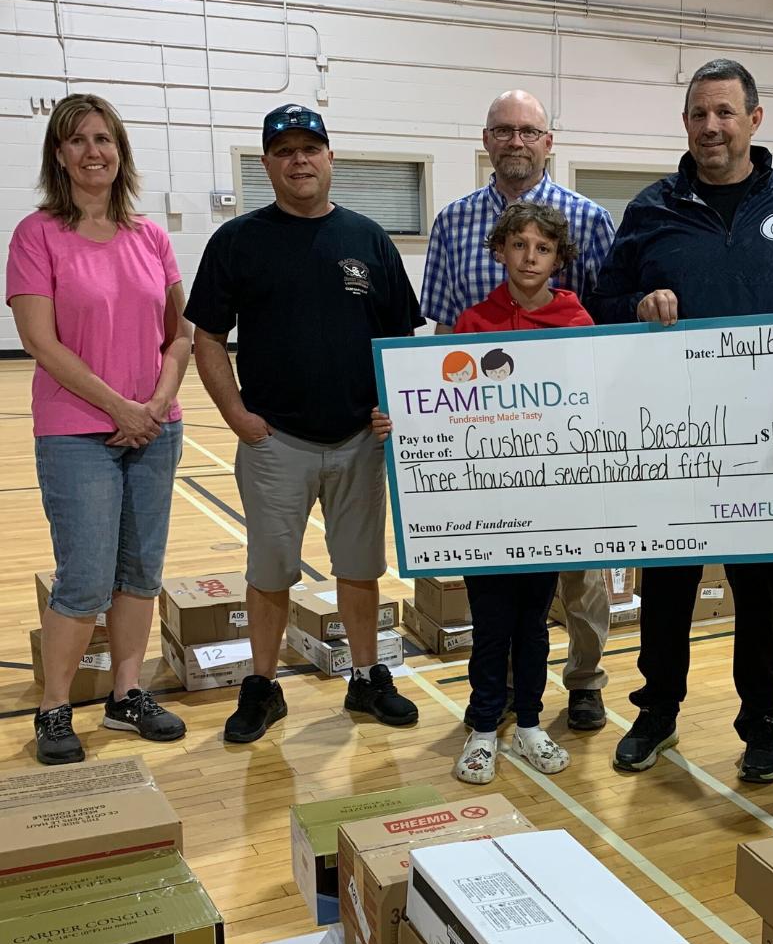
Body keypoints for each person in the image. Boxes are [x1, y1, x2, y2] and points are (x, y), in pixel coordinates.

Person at [590, 58, 773, 779]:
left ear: (755, 120)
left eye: (726, 112)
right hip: (674, 439)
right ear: (685, 124)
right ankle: (658, 712)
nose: (712, 126)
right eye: (700, 113)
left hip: (765, 446)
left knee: (760, 594)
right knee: (666, 587)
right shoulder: (651, 208)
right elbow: (603, 305)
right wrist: (638, 306)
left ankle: (762, 726)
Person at [186, 103, 421, 743]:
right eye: (284, 151)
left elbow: (400, 337)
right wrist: (235, 413)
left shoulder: (369, 240)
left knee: (360, 568)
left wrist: (391, 405)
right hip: (275, 441)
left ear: (329, 157)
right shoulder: (237, 241)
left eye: (309, 149)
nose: (299, 161)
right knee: (269, 572)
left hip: (357, 441)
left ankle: (368, 677)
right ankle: (262, 687)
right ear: (267, 164)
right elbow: (206, 334)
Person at [421, 89, 617, 731]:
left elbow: (603, 333)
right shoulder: (453, 222)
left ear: (548, 141)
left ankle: (585, 681)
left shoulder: (588, 218)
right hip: (489, 450)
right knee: (508, 589)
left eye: (529, 131)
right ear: (487, 141)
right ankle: (501, 691)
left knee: (581, 577)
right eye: (503, 131)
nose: (516, 141)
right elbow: (443, 331)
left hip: (568, 442)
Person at [6, 93, 191, 766]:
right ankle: (54, 707)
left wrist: (158, 403)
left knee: (139, 574)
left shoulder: (151, 237)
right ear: (59, 154)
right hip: (78, 432)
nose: (94, 152)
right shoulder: (37, 234)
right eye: (78, 140)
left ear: (121, 151)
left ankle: (126, 695)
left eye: (104, 139)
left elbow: (180, 335)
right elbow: (40, 341)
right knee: (84, 579)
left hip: (154, 429)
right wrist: (120, 407)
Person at [452, 202, 593, 784]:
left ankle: (531, 722)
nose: (529, 257)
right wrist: (402, 423)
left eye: (542, 248)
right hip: (484, 505)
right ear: (500, 250)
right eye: (519, 245)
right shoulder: (472, 322)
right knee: (490, 623)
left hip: (547, 506)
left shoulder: (577, 321)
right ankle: (484, 728)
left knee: (534, 622)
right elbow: (445, 405)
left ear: (559, 258)